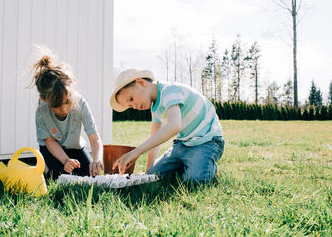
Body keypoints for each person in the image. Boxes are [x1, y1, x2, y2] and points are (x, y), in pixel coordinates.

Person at [110, 68, 224, 184]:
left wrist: (137, 151)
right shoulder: (154, 107)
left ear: (141, 82)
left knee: (194, 181)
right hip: (183, 143)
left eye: (131, 99)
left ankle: (209, 167)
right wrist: (148, 173)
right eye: (130, 105)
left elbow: (174, 126)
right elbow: (155, 138)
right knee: (155, 176)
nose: (133, 106)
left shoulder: (170, 90)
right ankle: (190, 164)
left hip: (207, 141)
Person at [29, 46, 103, 179]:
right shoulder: (42, 110)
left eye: (67, 102)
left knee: (90, 176)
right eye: (56, 106)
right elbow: (50, 141)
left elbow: (95, 139)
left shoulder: (80, 103)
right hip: (51, 149)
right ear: (44, 99)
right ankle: (45, 168)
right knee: (59, 178)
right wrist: (65, 160)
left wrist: (97, 160)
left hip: (74, 147)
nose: (63, 109)